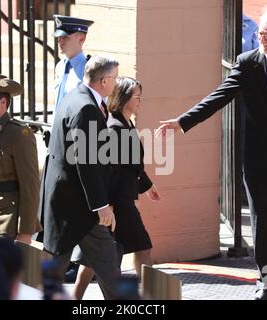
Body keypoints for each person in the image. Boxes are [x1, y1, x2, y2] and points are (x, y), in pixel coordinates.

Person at [157, 10, 267, 300]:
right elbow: (219, 96)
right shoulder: (248, 63)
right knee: (262, 219)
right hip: (258, 157)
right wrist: (182, 123)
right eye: (260, 34)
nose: (262, 38)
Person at [72, 77, 162, 300]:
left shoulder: (125, 124)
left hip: (120, 201)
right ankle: (150, 296)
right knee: (143, 247)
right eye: (136, 96)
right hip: (119, 204)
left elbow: (132, 166)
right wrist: (106, 202)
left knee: (97, 256)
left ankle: (75, 298)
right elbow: (109, 170)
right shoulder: (115, 128)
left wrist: (148, 185)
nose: (140, 100)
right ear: (123, 99)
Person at [41, 56, 121, 300]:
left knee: (57, 270)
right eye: (115, 78)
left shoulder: (76, 96)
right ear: (104, 80)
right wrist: (101, 206)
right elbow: (86, 162)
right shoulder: (86, 108)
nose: (116, 84)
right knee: (109, 268)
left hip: (67, 205)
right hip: (79, 207)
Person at [0, 74, 42, 244]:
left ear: (3, 102)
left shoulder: (19, 134)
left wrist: (25, 231)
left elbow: (30, 185)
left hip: (6, 220)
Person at [53, 14, 94, 109]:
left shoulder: (90, 69)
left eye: (65, 37)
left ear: (81, 39)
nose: (60, 42)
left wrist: (93, 125)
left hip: (79, 123)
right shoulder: (60, 66)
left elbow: (97, 109)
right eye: (59, 37)